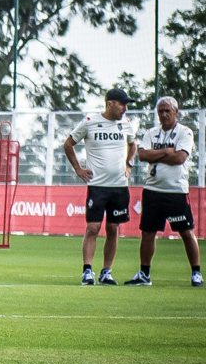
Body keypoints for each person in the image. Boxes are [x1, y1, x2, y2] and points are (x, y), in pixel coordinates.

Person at [63, 88, 138, 285]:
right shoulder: (90, 122)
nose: (125, 108)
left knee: (113, 228)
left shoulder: (126, 124)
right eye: (122, 104)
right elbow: (68, 144)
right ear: (110, 103)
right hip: (97, 186)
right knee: (93, 228)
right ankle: (87, 271)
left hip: (120, 186)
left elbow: (133, 144)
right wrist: (78, 169)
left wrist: (129, 165)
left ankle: (106, 272)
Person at [124, 97, 202, 287]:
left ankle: (196, 273)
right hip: (152, 190)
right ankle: (144, 274)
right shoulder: (151, 133)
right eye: (160, 111)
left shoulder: (185, 132)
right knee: (148, 232)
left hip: (176, 191)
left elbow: (180, 158)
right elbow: (143, 155)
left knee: (186, 232)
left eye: (167, 111)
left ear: (176, 111)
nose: (164, 115)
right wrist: (168, 151)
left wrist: (157, 155)